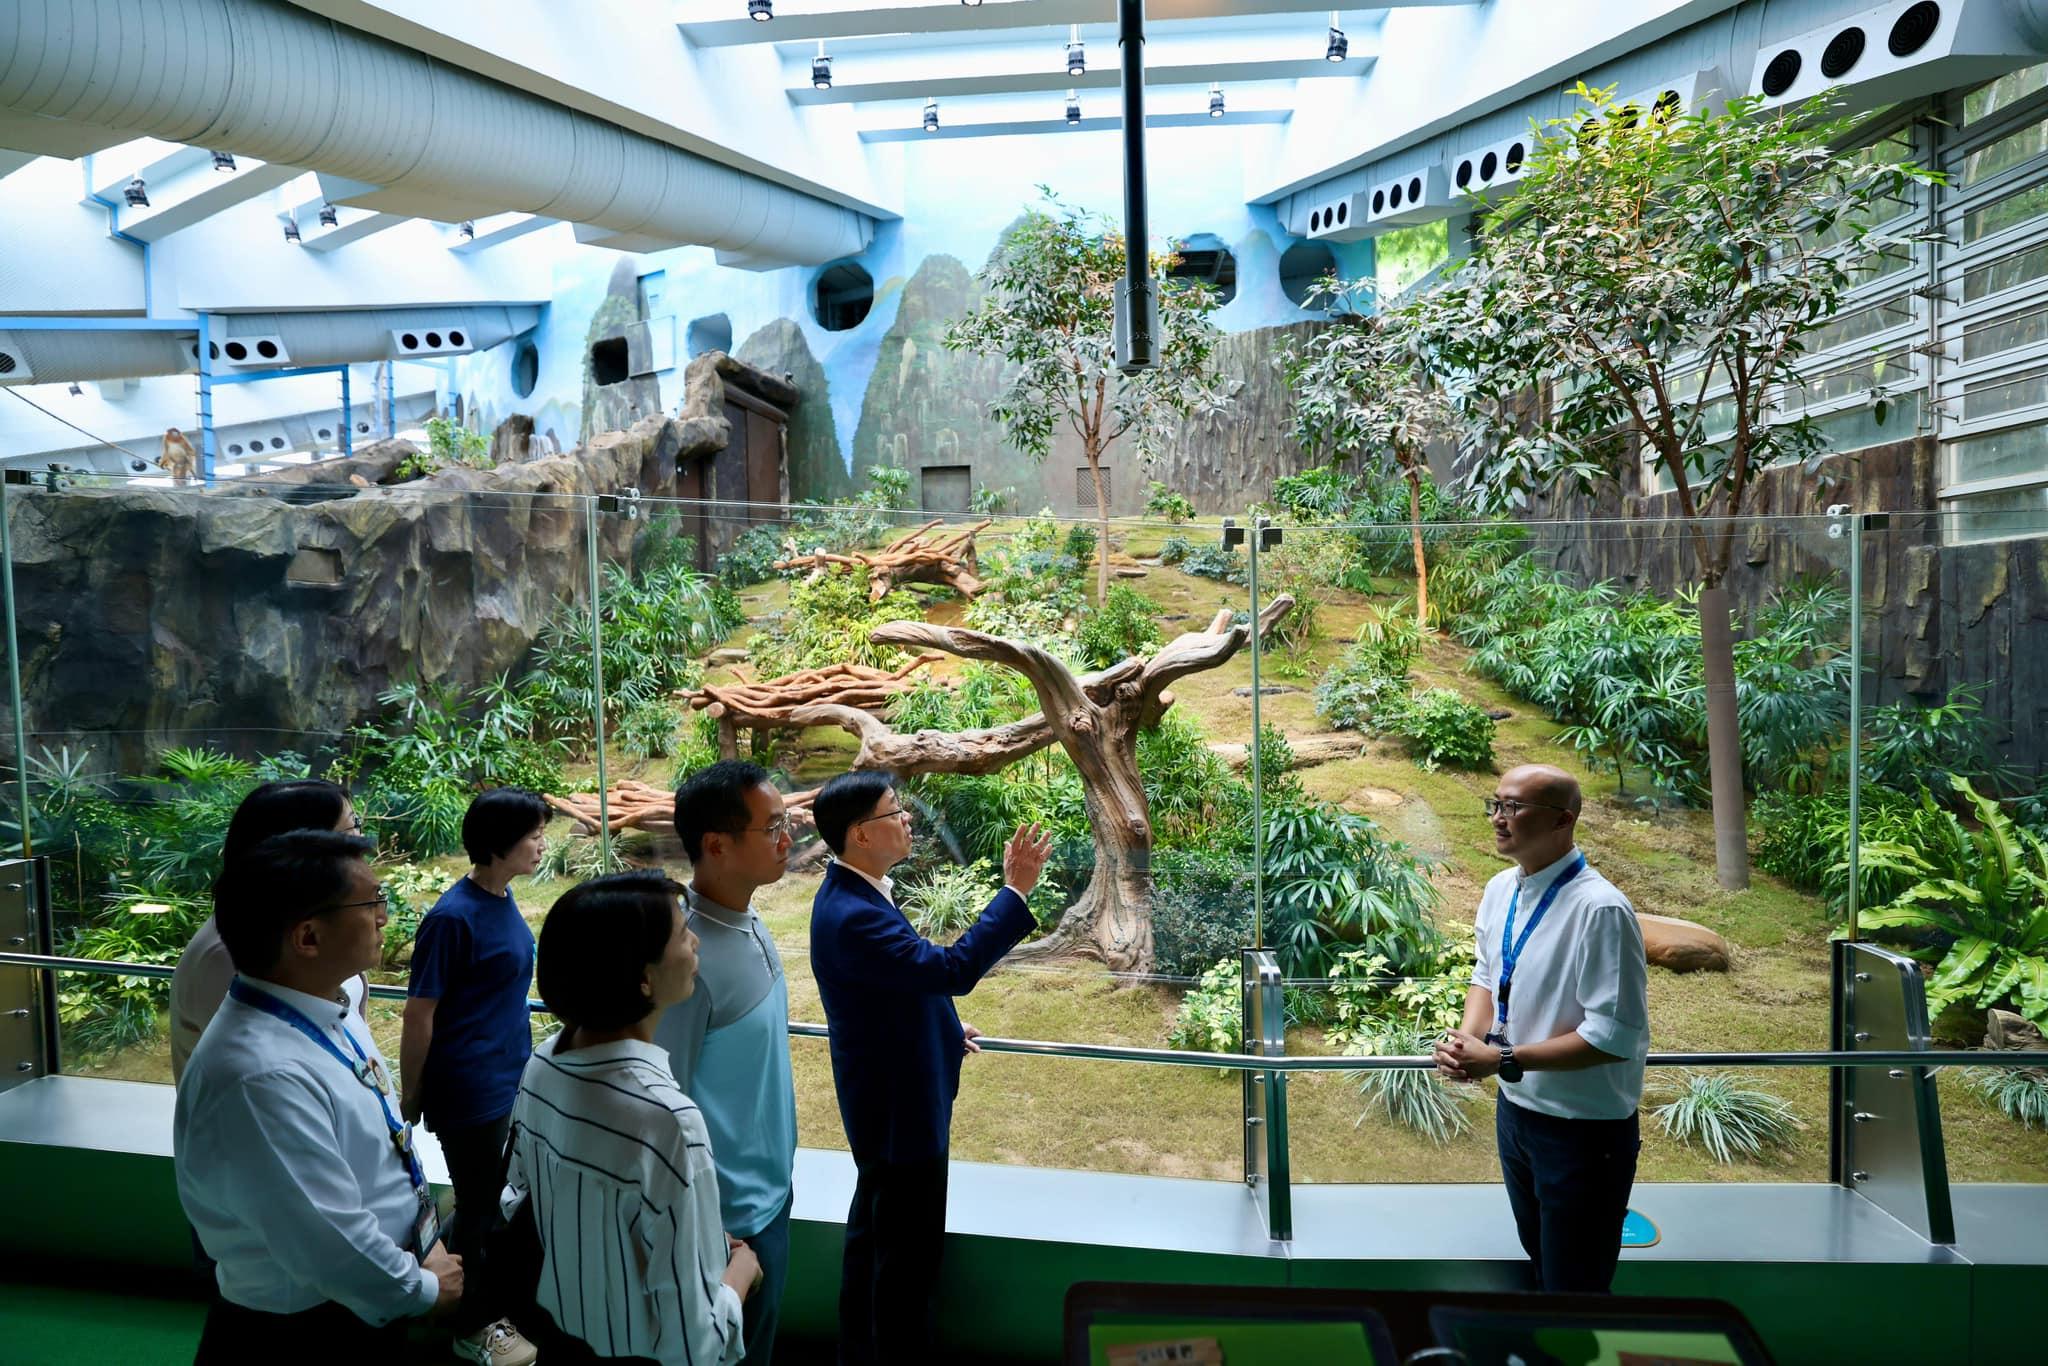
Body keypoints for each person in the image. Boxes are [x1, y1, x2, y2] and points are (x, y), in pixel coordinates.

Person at [175, 830, 463, 1360]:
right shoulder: (261, 1077)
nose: (384, 916)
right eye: (370, 903)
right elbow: (329, 1239)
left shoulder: (326, 1003)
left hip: (366, 1291)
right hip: (307, 1329)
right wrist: (424, 1289)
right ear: (307, 937)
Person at [808, 770, 1052, 1365]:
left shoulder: (859, 893)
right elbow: (948, 970)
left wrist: (944, 1029)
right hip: (899, 1113)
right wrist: (1015, 890)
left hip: (890, 1102)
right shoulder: (854, 913)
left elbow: (899, 983)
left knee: (877, 1244)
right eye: (895, 810)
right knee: (902, 1267)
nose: (907, 819)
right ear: (861, 834)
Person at [503, 871, 756, 1366]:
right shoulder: (668, 1123)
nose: (695, 942)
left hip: (558, 1339)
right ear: (643, 978)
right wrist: (740, 1272)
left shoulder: (544, 1064)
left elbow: (521, 1197)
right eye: (682, 934)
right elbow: (695, 1345)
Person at [1433, 763, 1650, 1295]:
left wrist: (1504, 1059)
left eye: (1514, 807)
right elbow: (1487, 975)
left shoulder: (1600, 909)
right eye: (1496, 804)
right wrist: (1468, 1042)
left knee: (1574, 1285)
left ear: (1562, 820)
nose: (1498, 818)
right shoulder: (1500, 889)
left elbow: (1613, 1036)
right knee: (1540, 1263)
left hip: (1582, 1132)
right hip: (1517, 1114)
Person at [654, 760, 797, 1366]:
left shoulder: (746, 918)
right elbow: (663, 1105)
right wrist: (714, 1232)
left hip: (771, 1195)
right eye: (773, 827)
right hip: (729, 1224)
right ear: (716, 845)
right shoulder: (687, 960)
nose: (787, 839)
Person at [400, 788, 549, 1366]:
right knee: (482, 1207)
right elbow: (420, 1013)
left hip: (508, 1079)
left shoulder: (500, 898)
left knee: (493, 1204)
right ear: (498, 844)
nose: (541, 844)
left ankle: (467, 1296)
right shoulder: (451, 918)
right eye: (532, 835)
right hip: (469, 1090)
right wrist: (412, 1095)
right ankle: (471, 1325)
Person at [169, 778, 362, 1084]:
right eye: (351, 829)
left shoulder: (307, 920)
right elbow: (264, 1071)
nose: (361, 841)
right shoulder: (230, 955)